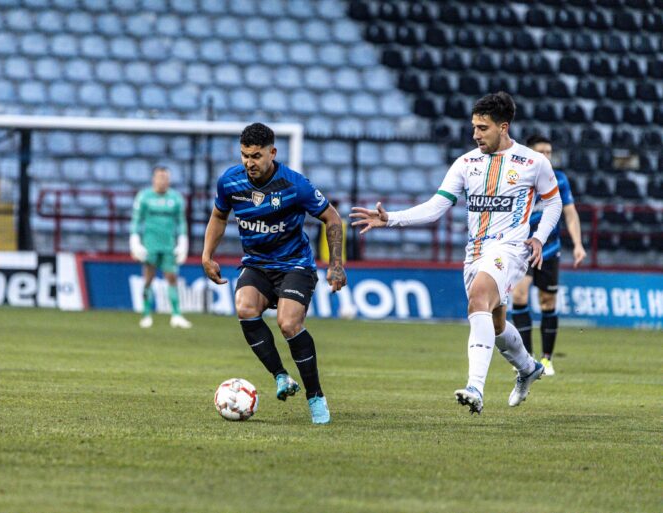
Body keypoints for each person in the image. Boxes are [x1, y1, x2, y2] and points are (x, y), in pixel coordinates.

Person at [351, 92, 562, 415]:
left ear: (503, 127)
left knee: (478, 297)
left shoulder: (533, 163)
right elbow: (437, 207)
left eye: (482, 128)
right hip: (475, 252)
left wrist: (538, 238)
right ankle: (528, 368)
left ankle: (475, 386)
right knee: (495, 324)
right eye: (474, 127)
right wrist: (391, 218)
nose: (475, 134)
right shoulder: (466, 163)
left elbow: (553, 203)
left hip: (510, 249)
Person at [202, 123, 347, 424]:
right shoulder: (230, 182)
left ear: (272, 152)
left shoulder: (295, 185)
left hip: (295, 264)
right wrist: (207, 255)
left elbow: (331, 217)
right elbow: (218, 216)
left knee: (289, 324)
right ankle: (281, 377)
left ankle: (316, 397)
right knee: (244, 308)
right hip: (256, 262)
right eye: (244, 155)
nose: (249, 163)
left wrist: (335, 263)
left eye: (256, 156)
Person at [510, 135, 586, 376]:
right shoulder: (519, 178)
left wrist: (578, 244)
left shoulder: (559, 180)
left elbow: (571, 214)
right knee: (519, 296)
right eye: (541, 151)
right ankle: (526, 360)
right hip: (522, 249)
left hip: (550, 250)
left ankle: (547, 359)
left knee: (547, 302)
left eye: (549, 152)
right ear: (530, 154)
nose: (546, 156)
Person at [129, 166, 192, 329]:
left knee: (172, 278)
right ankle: (146, 314)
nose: (163, 181)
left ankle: (176, 315)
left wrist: (183, 241)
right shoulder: (144, 197)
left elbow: (181, 222)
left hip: (168, 245)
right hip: (150, 244)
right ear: (154, 179)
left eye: (166, 178)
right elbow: (137, 220)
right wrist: (135, 240)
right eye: (160, 177)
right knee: (148, 279)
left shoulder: (176, 198)